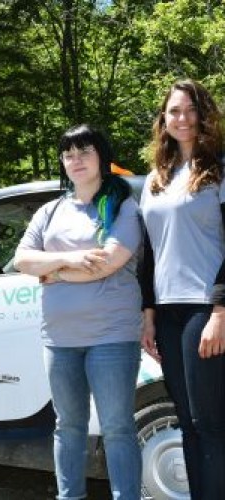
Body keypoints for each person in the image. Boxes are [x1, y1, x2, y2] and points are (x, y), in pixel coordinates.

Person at [13, 124, 142, 499]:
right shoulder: (50, 211)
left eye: (84, 151)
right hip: (59, 340)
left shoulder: (123, 206)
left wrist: (50, 270)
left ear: (101, 156)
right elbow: (21, 260)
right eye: (69, 154)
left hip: (112, 338)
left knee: (117, 427)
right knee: (67, 426)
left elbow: (107, 262)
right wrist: (69, 260)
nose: (76, 160)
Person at [140, 79, 225, 500]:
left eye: (191, 110)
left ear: (204, 115)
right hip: (168, 312)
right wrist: (148, 314)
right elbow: (149, 254)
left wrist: (219, 312)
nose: (183, 118)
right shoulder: (157, 178)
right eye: (174, 111)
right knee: (188, 422)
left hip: (204, 310)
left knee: (211, 423)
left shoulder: (220, 171)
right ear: (164, 119)